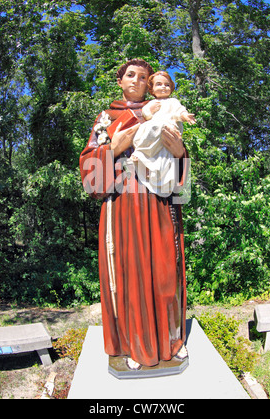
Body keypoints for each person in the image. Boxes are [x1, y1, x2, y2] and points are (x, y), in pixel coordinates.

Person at [79, 59, 189, 371]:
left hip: (157, 203)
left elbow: (181, 174)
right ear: (119, 81)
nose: (137, 81)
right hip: (123, 206)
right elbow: (90, 174)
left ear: (150, 83)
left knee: (165, 271)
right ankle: (128, 345)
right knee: (126, 276)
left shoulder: (163, 111)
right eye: (130, 75)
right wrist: (112, 149)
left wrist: (181, 153)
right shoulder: (107, 117)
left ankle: (171, 340)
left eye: (143, 77)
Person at [131, 71, 196, 197]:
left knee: (164, 157)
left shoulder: (172, 101)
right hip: (154, 130)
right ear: (152, 89)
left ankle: (157, 174)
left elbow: (179, 111)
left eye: (167, 85)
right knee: (146, 133)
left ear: (171, 88)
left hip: (167, 129)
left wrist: (185, 116)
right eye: (159, 84)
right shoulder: (152, 102)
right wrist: (150, 111)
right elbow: (146, 114)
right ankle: (142, 156)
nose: (163, 87)